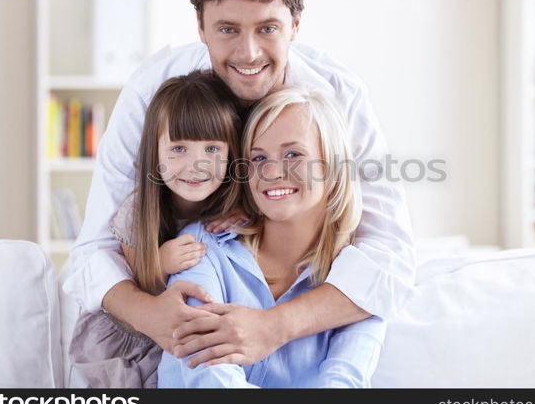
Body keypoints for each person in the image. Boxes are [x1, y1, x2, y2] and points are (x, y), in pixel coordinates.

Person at [64, 0, 415, 370]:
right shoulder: (155, 90)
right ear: (200, 26)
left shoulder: (339, 96)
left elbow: (392, 258)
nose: (248, 54)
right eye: (227, 29)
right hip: (183, 291)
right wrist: (150, 314)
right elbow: (92, 250)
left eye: (267, 28)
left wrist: (275, 325)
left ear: (296, 26)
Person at [158, 86, 385, 388]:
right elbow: (210, 376)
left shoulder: (360, 280)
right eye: (259, 158)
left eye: (293, 154)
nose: (273, 172)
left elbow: (344, 382)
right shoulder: (202, 246)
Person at [69, 71, 245, 387]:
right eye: (178, 149)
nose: (196, 165)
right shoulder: (138, 211)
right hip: (133, 339)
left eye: (212, 150)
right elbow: (136, 286)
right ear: (156, 152)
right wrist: (160, 263)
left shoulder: (232, 205)